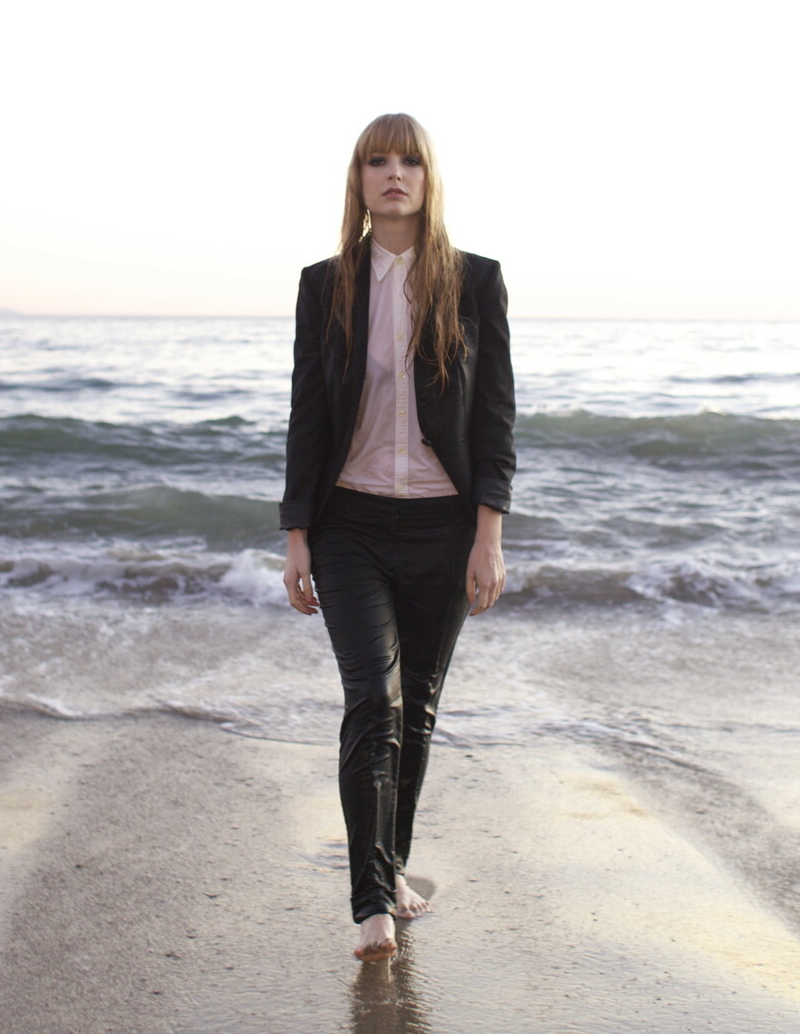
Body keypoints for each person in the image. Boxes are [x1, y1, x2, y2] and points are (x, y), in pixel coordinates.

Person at [280, 112, 516, 963]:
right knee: (370, 703)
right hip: (349, 522)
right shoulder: (325, 285)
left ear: (428, 178)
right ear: (358, 179)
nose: (393, 174)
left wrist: (488, 534)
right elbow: (309, 414)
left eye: (408, 161)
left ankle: (392, 865)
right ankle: (372, 902)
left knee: (415, 708)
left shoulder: (475, 281)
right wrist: (297, 533)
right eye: (376, 160)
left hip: (443, 526)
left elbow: (495, 416)